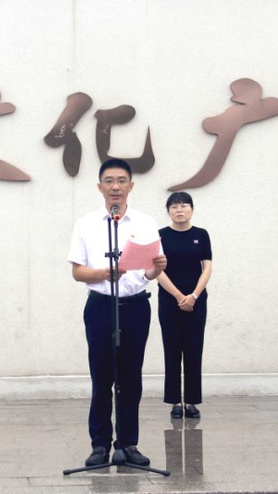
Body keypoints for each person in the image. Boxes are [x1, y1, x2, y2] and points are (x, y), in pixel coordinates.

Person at [68, 158, 166, 467]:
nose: (115, 187)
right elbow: (77, 272)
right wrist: (103, 273)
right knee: (102, 378)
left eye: (122, 181)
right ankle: (99, 445)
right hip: (100, 307)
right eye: (109, 181)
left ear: (131, 186)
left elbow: (149, 271)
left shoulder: (145, 223)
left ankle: (127, 444)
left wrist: (156, 269)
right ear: (99, 187)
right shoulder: (86, 224)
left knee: (131, 379)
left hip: (135, 306)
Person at [156, 191, 212, 420]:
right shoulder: (160, 236)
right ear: (168, 211)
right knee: (172, 349)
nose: (179, 210)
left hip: (196, 301)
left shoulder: (201, 234)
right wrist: (180, 296)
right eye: (174, 206)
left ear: (192, 209)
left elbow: (207, 268)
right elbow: (157, 271)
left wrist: (194, 296)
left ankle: (191, 401)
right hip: (169, 300)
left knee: (193, 349)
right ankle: (174, 402)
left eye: (184, 205)